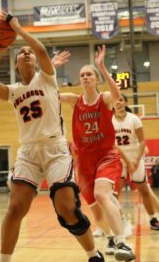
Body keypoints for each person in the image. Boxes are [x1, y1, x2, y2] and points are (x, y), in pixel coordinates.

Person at [0, 12, 104, 262]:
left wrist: (18, 29)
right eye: (21, 53)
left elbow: (40, 50)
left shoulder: (46, 78)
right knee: (16, 208)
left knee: (67, 210)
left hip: (55, 149)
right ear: (16, 65)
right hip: (28, 152)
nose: (26, 53)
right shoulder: (14, 91)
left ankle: (93, 254)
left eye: (29, 52)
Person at [59, 45, 135, 261]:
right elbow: (51, 94)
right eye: (82, 75)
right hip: (84, 160)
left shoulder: (104, 99)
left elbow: (116, 93)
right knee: (95, 208)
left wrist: (101, 66)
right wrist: (52, 69)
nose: (85, 77)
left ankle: (123, 243)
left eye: (89, 74)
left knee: (102, 194)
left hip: (106, 155)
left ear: (95, 79)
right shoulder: (75, 100)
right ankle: (111, 237)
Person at [112, 93, 159, 230]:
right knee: (115, 193)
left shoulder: (134, 119)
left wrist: (137, 160)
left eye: (121, 100)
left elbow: (142, 141)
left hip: (135, 157)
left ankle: (152, 219)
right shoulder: (110, 121)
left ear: (126, 103)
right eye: (116, 100)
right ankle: (118, 221)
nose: (118, 102)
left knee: (144, 190)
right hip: (119, 160)